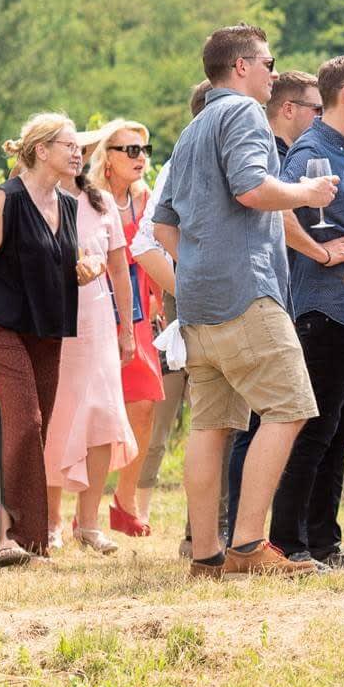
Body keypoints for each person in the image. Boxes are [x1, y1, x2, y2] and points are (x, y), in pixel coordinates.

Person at [152, 25, 339, 579]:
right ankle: (249, 546)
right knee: (292, 407)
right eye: (268, 62)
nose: (274, 73)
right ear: (240, 67)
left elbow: (163, 226)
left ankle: (206, 555)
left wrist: (203, 264)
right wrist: (307, 194)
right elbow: (252, 189)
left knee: (211, 427)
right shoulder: (242, 114)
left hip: (199, 302)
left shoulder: (192, 128)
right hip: (245, 293)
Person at [0, 113, 87, 566]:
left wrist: (82, 270)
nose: (78, 151)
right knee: (18, 423)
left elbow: (55, 263)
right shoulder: (4, 200)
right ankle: (3, 538)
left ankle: (32, 542)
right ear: (41, 150)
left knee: (36, 429)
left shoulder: (66, 204)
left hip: (47, 333)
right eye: (68, 144)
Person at [272, 55, 344, 570]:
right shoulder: (312, 150)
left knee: (338, 431)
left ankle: (323, 540)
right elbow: (279, 211)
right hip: (324, 308)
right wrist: (320, 253)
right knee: (316, 430)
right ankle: (289, 542)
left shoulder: (339, 148)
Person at [222, 68, 325, 532]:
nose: (320, 119)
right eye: (315, 109)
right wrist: (320, 249)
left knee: (251, 419)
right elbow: (267, 206)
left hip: (265, 293)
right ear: (289, 110)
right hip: (259, 296)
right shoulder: (268, 148)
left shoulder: (272, 146)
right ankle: (245, 534)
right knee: (274, 413)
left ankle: (230, 534)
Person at [42, 132, 139, 554]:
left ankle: (90, 522)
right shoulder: (36, 199)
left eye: (82, 151)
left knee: (102, 416)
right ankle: (50, 522)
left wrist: (127, 328)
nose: (78, 156)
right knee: (59, 418)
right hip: (54, 321)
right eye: (71, 150)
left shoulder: (100, 203)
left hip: (98, 321)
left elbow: (120, 269)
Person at [130, 80, 211, 552]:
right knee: (203, 417)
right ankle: (197, 533)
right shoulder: (183, 163)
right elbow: (146, 241)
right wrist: (189, 289)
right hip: (197, 306)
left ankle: (205, 532)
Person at [89, 120, 165, 539]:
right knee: (93, 410)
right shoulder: (90, 200)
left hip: (136, 316)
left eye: (144, 150)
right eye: (130, 150)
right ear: (108, 156)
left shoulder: (144, 200)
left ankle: (125, 498)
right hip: (96, 315)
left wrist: (158, 300)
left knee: (144, 405)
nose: (140, 158)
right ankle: (82, 509)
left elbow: (151, 251)